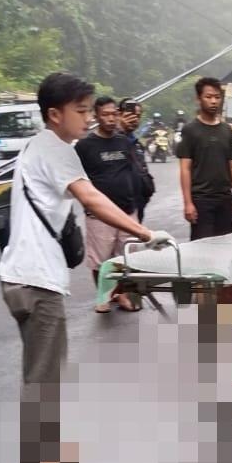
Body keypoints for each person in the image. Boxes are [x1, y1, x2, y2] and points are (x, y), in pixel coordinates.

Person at [0, 72, 162, 463]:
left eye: (91, 110)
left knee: (40, 378)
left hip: (19, 277)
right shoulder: (55, 149)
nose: (89, 119)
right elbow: (93, 198)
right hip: (38, 284)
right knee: (44, 384)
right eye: (82, 111)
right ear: (55, 114)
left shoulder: (37, 146)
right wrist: (146, 232)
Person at [74, 96, 146, 312]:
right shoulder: (85, 146)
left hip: (126, 210)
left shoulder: (124, 142)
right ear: (96, 116)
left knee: (126, 256)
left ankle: (122, 294)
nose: (111, 118)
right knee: (100, 260)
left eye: (114, 113)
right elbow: (78, 179)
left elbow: (135, 170)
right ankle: (103, 296)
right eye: (105, 114)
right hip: (100, 214)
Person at [176, 77, 232, 240]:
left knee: (225, 245)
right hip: (201, 200)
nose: (213, 101)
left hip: (225, 199)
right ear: (199, 99)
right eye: (208, 97)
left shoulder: (226, 130)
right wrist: (188, 203)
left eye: (217, 97)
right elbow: (185, 168)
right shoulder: (190, 130)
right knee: (201, 248)